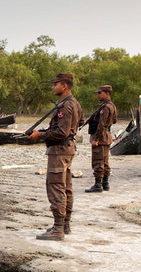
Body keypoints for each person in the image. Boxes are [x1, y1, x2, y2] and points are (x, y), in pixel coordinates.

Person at [29, 73, 84, 240]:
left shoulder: (65, 106)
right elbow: (80, 121)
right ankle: (64, 225)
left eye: (56, 84)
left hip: (59, 151)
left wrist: (41, 135)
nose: (53, 87)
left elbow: (61, 132)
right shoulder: (73, 103)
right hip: (67, 149)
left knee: (56, 187)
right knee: (66, 187)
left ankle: (58, 229)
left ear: (64, 86)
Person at [85, 85, 117, 193]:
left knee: (98, 160)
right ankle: (105, 183)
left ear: (107, 93)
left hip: (101, 137)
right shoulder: (112, 106)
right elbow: (115, 120)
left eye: (100, 93)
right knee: (105, 161)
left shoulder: (105, 107)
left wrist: (96, 139)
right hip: (106, 135)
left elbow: (101, 124)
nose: (98, 95)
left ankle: (98, 184)